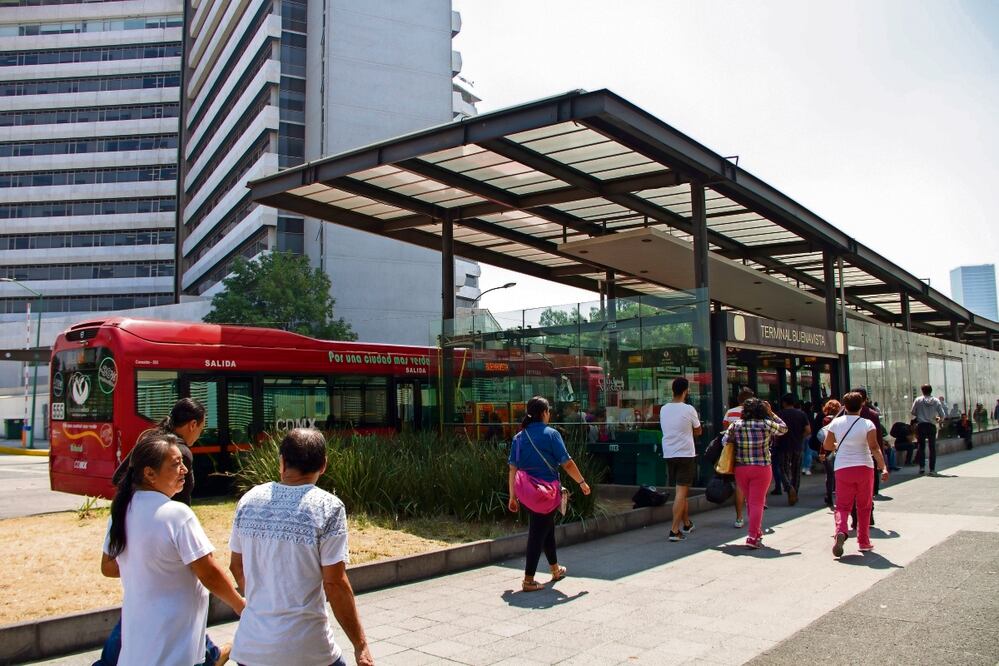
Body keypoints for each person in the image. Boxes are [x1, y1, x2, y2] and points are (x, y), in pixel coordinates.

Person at [229, 428, 372, 666]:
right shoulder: (329, 507)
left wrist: (262, 601)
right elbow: (335, 583)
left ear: (282, 462)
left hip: (251, 647)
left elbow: (236, 566)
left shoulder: (249, 500)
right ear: (324, 465)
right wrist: (361, 645)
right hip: (308, 649)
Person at [100, 431, 244, 666]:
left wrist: (151, 566)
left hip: (137, 644)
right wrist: (240, 605)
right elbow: (208, 572)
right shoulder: (177, 515)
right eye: (176, 464)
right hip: (174, 644)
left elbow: (109, 567)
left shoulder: (122, 510)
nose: (184, 471)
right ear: (149, 473)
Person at [507, 396, 591, 591]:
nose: (549, 414)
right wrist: (582, 482)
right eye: (548, 411)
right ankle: (528, 579)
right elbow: (567, 463)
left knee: (547, 529)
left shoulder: (519, 437)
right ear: (544, 413)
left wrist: (512, 496)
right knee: (538, 533)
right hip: (546, 493)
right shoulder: (551, 434)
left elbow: (512, 469)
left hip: (527, 493)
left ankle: (555, 570)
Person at [824, 392, 889, 557]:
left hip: (843, 467)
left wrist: (838, 444)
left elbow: (827, 445)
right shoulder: (867, 424)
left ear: (844, 406)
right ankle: (864, 541)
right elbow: (874, 447)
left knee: (843, 506)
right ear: (862, 405)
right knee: (864, 506)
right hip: (864, 467)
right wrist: (883, 467)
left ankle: (841, 531)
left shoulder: (836, 423)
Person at [724, 398, 788, 549]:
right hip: (761, 467)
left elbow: (725, 441)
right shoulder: (765, 424)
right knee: (757, 502)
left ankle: (757, 531)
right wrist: (771, 413)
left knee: (750, 501)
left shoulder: (736, 425)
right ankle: (752, 536)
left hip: (741, 468)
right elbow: (784, 428)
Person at [659, 377, 703, 542]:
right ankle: (674, 530)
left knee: (680, 491)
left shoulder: (664, 409)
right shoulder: (689, 409)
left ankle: (686, 523)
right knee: (680, 492)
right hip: (685, 453)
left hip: (669, 453)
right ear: (686, 391)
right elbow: (698, 431)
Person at [722, 388, 755, 528]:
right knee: (755, 485)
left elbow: (725, 432)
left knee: (740, 485)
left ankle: (739, 517)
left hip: (736, 453)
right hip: (754, 453)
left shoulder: (730, 413)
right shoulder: (756, 413)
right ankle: (755, 515)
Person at [775, 394, 811, 506]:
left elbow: (775, 431)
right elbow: (808, 430)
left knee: (783, 469)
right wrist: (801, 437)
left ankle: (789, 488)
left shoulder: (779, 415)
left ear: (784, 403)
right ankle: (795, 490)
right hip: (797, 445)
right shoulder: (801, 414)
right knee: (796, 471)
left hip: (783, 446)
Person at [911, 384, 946, 475]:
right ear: (931, 390)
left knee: (921, 447)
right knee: (932, 448)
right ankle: (932, 469)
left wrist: (920, 414)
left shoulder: (918, 400)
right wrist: (938, 419)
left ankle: (922, 467)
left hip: (921, 426)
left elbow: (913, 411)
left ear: (922, 391)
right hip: (931, 425)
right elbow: (942, 415)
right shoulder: (936, 401)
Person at [815, 399, 842, 508]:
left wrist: (821, 452)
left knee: (830, 474)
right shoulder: (841, 420)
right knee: (839, 474)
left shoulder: (825, 420)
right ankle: (839, 495)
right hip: (840, 449)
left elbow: (825, 438)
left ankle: (829, 496)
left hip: (828, 450)